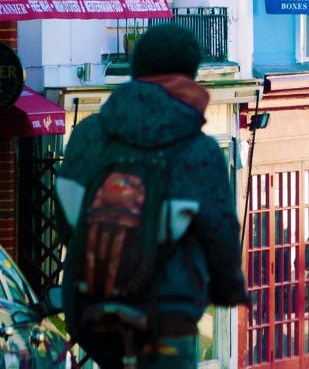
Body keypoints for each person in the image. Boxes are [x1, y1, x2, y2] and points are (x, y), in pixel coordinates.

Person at [57, 23, 249, 367]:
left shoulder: (88, 133)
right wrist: (228, 288)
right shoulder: (198, 149)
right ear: (191, 74)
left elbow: (64, 215)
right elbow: (219, 229)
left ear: (136, 69)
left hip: (92, 308)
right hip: (166, 312)